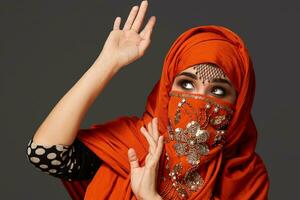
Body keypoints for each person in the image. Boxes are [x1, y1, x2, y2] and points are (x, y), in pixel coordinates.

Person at [26, 0, 270, 199]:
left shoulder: (246, 178)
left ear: (239, 104)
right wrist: (107, 63)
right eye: (186, 84)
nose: (199, 101)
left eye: (217, 92)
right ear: (166, 89)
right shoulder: (132, 147)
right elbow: (45, 152)